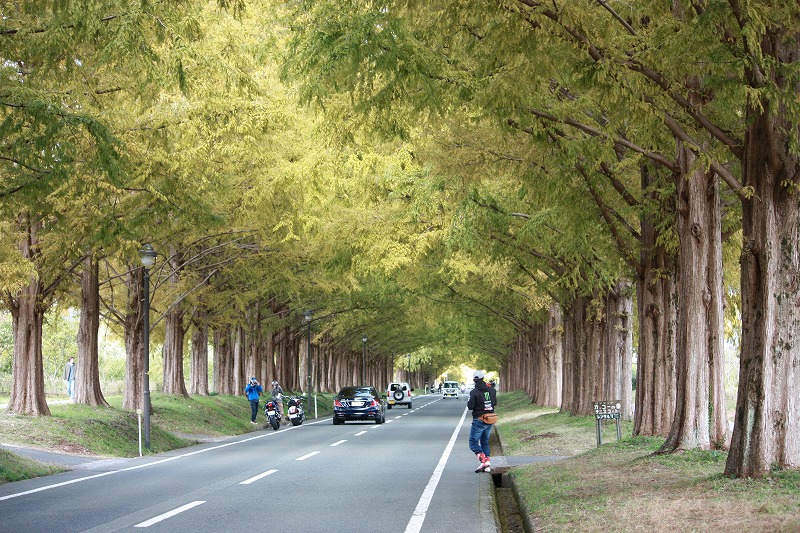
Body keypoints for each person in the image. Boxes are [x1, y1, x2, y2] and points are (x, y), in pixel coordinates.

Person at [467, 370, 497, 473]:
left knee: (473, 442)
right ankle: (487, 463)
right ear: (483, 378)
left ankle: (483, 460)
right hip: (490, 419)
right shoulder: (491, 390)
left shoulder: (474, 392)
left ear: (474, 380)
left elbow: (470, 406)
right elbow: (494, 402)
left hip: (479, 419)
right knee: (485, 441)